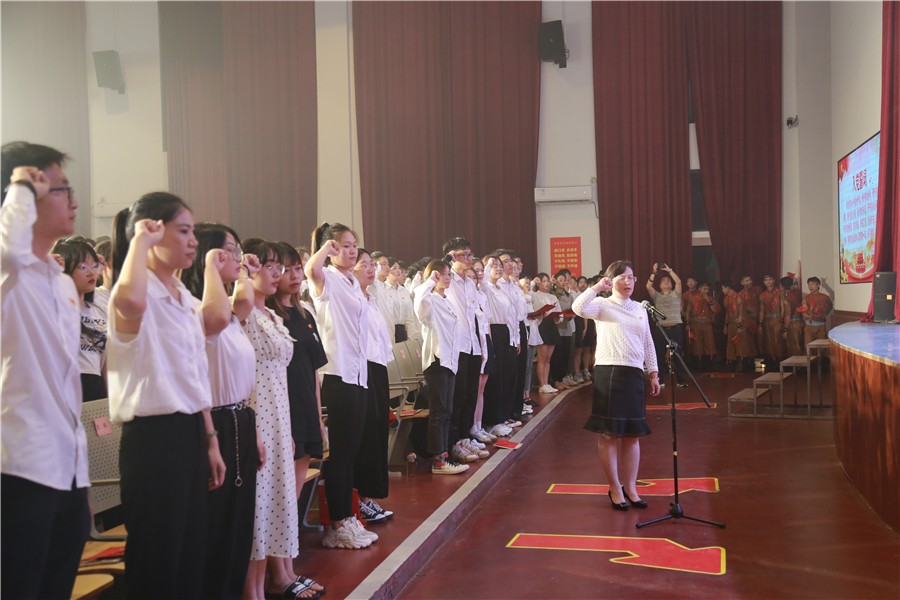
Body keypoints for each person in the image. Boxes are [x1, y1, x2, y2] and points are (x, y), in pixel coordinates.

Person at [107, 191, 226, 598]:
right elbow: (129, 300)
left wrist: (210, 439)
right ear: (154, 232)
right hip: (153, 440)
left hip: (190, 431)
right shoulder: (135, 293)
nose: (194, 241)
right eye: (184, 231)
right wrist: (140, 241)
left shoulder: (183, 297)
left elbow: (195, 376)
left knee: (191, 552)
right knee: (158, 559)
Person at [1, 143, 90, 599]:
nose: (74, 201)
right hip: (21, 466)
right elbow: (9, 252)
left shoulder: (61, 284)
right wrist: (19, 187)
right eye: (60, 190)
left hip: (68, 465)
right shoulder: (9, 273)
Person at [181, 223, 262, 600]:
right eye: (230, 249)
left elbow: (244, 301)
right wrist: (212, 267)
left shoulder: (230, 314)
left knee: (238, 524)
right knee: (217, 525)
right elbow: (214, 313)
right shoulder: (199, 311)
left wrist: (243, 271)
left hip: (240, 418)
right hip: (214, 422)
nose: (238, 256)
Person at [305, 222, 376, 549]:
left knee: (351, 451)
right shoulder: (327, 279)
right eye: (343, 245)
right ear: (331, 249)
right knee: (340, 454)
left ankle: (347, 517)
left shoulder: (351, 282)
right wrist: (324, 249)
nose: (351, 251)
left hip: (358, 372)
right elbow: (311, 269)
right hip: (338, 373)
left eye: (353, 245)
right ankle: (336, 524)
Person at [572, 260, 660, 511]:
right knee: (610, 433)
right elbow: (578, 308)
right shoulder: (602, 304)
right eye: (622, 277)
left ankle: (631, 487)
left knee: (632, 434)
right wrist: (597, 288)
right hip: (609, 372)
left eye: (631, 277)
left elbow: (647, 341)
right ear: (611, 281)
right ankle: (614, 487)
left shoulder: (640, 307)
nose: (628, 282)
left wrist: (653, 372)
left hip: (634, 373)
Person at [266, 241, 327, 596]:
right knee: (282, 497)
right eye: (285, 269)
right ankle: (279, 574)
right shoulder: (271, 317)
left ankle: (288, 568)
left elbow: (314, 372)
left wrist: (318, 417)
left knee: (293, 496)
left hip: (305, 408)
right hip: (280, 411)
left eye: (295, 268)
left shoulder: (304, 314)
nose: (293, 275)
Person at [352, 249, 397, 523]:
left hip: (378, 367)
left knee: (377, 432)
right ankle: (358, 500)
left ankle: (368, 498)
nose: (371, 269)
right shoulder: (349, 298)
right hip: (361, 369)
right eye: (364, 265)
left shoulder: (370, 298)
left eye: (372, 264)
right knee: (366, 435)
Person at [414, 259, 469, 474]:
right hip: (437, 361)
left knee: (447, 410)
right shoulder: (430, 300)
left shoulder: (446, 300)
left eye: (448, 274)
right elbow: (419, 302)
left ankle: (444, 455)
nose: (447, 278)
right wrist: (430, 281)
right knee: (438, 412)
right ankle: (438, 460)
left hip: (450, 361)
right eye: (442, 274)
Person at [53, 238, 109, 401]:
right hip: (63, 387)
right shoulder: (52, 307)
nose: (91, 272)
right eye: (82, 267)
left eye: (93, 266)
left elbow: (105, 364)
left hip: (95, 387)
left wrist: (110, 400)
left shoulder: (98, 308)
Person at [645, 263, 687, 387]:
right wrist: (654, 272)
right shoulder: (656, 296)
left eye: (668, 280)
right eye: (664, 281)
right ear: (660, 286)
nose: (667, 282)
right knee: (659, 354)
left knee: (678, 354)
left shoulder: (676, 294)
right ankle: (661, 380)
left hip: (675, 328)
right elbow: (648, 286)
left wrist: (669, 271)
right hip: (661, 329)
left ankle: (681, 380)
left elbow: (678, 282)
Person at [531, 273, 562, 394]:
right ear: (538, 283)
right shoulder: (535, 295)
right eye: (543, 281)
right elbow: (532, 309)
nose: (546, 283)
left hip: (551, 325)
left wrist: (558, 317)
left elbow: (559, 313)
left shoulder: (553, 297)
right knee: (542, 357)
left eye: (548, 281)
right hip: (541, 325)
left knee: (548, 358)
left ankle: (546, 383)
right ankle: (542, 384)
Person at [684, 282, 721, 371]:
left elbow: (716, 311)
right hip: (696, 324)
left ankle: (710, 362)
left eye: (707, 289)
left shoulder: (711, 299)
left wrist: (709, 302)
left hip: (707, 324)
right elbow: (688, 312)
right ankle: (699, 363)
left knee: (710, 343)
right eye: (704, 289)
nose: (706, 291)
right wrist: (687, 323)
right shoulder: (692, 299)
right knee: (697, 344)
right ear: (699, 289)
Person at [722, 280, 752, 372]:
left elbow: (741, 313)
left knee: (741, 343)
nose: (723, 291)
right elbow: (727, 313)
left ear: (727, 288)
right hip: (731, 323)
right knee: (731, 344)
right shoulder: (726, 299)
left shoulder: (738, 298)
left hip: (739, 323)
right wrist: (725, 325)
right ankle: (732, 363)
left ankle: (743, 363)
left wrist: (739, 326)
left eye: (723, 288)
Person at [759, 274, 786, 368]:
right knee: (768, 340)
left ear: (774, 280)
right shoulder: (762, 295)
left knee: (777, 340)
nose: (768, 282)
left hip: (777, 318)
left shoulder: (780, 292)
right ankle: (771, 359)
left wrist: (781, 320)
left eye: (770, 279)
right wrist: (760, 324)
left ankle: (779, 360)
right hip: (767, 320)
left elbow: (783, 307)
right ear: (764, 282)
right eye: (766, 280)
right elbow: (762, 310)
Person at [802, 276, 833, 345]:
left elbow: (830, 306)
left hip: (821, 325)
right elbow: (804, 312)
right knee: (809, 345)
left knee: (821, 346)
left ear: (818, 285)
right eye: (809, 285)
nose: (810, 287)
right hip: (809, 326)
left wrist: (823, 315)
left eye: (812, 284)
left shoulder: (825, 297)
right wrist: (809, 316)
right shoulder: (806, 298)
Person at [780, 276, 804, 356]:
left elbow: (787, 315)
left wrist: (785, 330)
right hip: (800, 322)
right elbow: (796, 287)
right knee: (799, 344)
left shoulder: (787, 299)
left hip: (792, 324)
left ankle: (797, 363)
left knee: (794, 346)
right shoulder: (797, 293)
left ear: (782, 286)